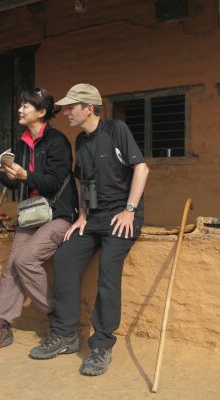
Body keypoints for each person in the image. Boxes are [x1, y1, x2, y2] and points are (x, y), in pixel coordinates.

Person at [29, 83, 150, 376]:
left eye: (72, 107)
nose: (66, 112)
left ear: (89, 108)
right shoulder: (81, 142)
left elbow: (141, 169)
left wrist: (129, 211)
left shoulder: (116, 130)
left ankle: (101, 345)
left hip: (122, 217)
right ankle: (66, 334)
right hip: (94, 218)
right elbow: (85, 183)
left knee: (108, 273)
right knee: (65, 259)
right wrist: (82, 215)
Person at [0, 88, 78, 356]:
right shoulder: (22, 142)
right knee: (11, 267)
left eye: (26, 106)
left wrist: (25, 175)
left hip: (58, 215)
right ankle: (2, 325)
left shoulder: (58, 142)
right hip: (31, 213)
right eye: (20, 105)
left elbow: (54, 181)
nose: (20, 109)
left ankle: (59, 319)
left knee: (25, 261)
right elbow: (15, 181)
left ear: (41, 112)